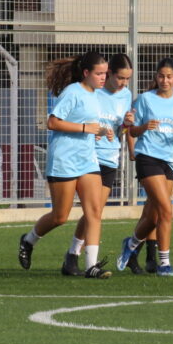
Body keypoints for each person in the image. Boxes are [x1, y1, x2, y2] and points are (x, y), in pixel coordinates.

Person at [17, 51, 113, 279]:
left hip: (87, 160)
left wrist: (99, 130)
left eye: (105, 73)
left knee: (94, 211)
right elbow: (53, 122)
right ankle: (28, 240)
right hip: (64, 160)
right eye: (99, 73)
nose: (103, 78)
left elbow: (86, 123)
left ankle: (91, 266)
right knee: (60, 216)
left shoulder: (95, 94)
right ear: (86, 73)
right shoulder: (72, 92)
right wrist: (84, 129)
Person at [115, 58, 173, 278]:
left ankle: (131, 244)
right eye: (161, 76)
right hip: (148, 157)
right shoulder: (144, 100)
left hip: (170, 160)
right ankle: (164, 263)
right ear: (156, 77)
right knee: (166, 209)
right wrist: (144, 127)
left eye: (169, 76)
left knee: (153, 217)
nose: (165, 80)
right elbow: (131, 132)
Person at [75, 53, 136, 269]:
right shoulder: (92, 90)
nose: (123, 83)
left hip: (110, 157)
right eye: (120, 78)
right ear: (108, 73)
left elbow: (121, 128)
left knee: (95, 211)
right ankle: (78, 257)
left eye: (127, 79)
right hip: (89, 156)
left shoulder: (126, 95)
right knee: (92, 211)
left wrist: (127, 124)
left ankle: (73, 253)